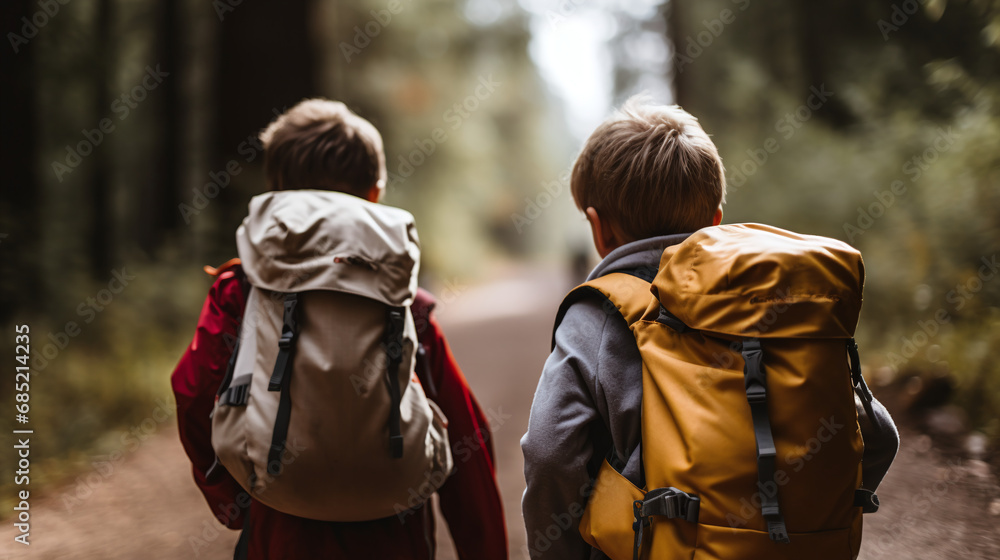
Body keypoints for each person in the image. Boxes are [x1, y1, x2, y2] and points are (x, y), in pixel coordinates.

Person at [520, 96, 899, 559]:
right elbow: (878, 436)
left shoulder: (596, 317)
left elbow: (550, 453)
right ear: (714, 221)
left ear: (600, 231)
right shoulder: (769, 303)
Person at [171, 98, 508, 559]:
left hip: (280, 526)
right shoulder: (409, 305)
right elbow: (469, 440)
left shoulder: (241, 292)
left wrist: (235, 501)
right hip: (396, 533)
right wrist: (482, 549)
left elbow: (193, 391)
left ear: (280, 195)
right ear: (375, 193)